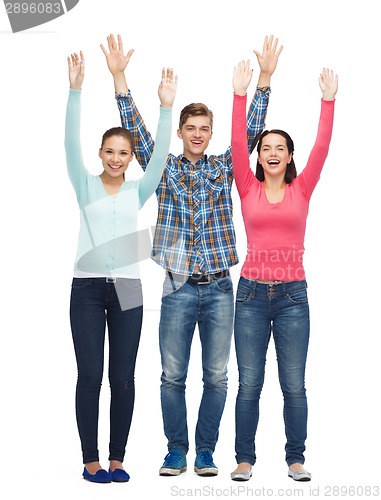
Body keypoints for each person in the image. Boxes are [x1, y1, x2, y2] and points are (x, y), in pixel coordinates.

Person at [101, 33, 282, 477]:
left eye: (205, 129)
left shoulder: (225, 166)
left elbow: (250, 133)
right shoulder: (164, 167)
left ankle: (205, 451)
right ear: (180, 133)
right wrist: (120, 78)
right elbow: (139, 133)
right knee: (172, 377)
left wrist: (264, 80)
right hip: (178, 286)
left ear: (211, 134)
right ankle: (176, 450)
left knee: (217, 377)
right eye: (191, 129)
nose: (198, 135)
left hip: (221, 288)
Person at [66, 50, 177, 483]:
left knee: (123, 378)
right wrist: (75, 91)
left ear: (132, 157)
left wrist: (166, 108)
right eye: (110, 151)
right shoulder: (84, 183)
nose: (116, 158)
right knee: (90, 375)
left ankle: (117, 458)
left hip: (129, 289)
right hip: (87, 288)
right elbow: (67, 142)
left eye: (124, 152)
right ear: (100, 153)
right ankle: (90, 459)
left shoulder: (138, 191)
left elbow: (163, 154)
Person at [230, 60, 338, 482]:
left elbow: (323, 148)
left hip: (293, 296)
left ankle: (295, 458)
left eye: (280, 148)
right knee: (249, 384)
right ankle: (244, 458)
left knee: (294, 384)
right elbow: (238, 142)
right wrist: (240, 95)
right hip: (252, 295)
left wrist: (328, 101)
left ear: (289, 156)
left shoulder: (302, 188)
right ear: (259, 157)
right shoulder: (247, 186)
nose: (272, 153)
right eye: (266, 148)